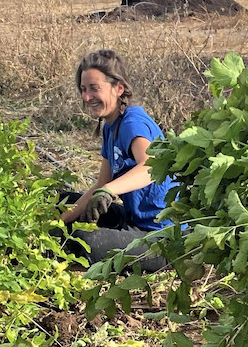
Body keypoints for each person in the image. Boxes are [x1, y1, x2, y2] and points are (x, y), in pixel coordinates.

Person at [61, 49, 176, 271]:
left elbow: (149, 167)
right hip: (135, 220)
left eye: (94, 88)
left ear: (118, 88)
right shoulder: (110, 125)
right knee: (62, 201)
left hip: (163, 236)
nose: (87, 97)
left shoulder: (133, 122)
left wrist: (109, 192)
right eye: (83, 90)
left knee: (85, 240)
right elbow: (101, 184)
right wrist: (60, 220)